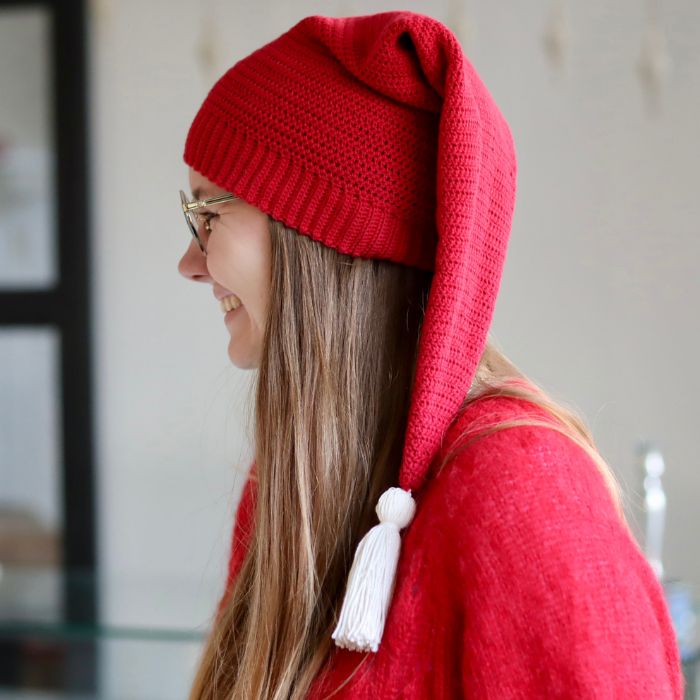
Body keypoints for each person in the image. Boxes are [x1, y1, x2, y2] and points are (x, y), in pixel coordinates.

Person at [176, 10, 684, 700]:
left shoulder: (523, 491)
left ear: (319, 234)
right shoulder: (292, 483)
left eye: (209, 214)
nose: (189, 262)